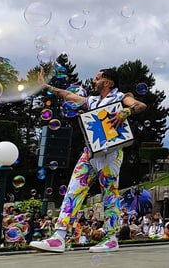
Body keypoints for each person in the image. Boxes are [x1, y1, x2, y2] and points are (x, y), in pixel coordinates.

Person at [30, 68, 147, 254]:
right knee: (72, 190)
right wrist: (47, 87)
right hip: (90, 152)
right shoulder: (92, 101)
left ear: (108, 83)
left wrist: (126, 111)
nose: (94, 80)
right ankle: (59, 237)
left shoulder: (120, 97)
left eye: (97, 78)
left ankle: (111, 238)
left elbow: (140, 105)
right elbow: (68, 95)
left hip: (111, 153)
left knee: (109, 194)